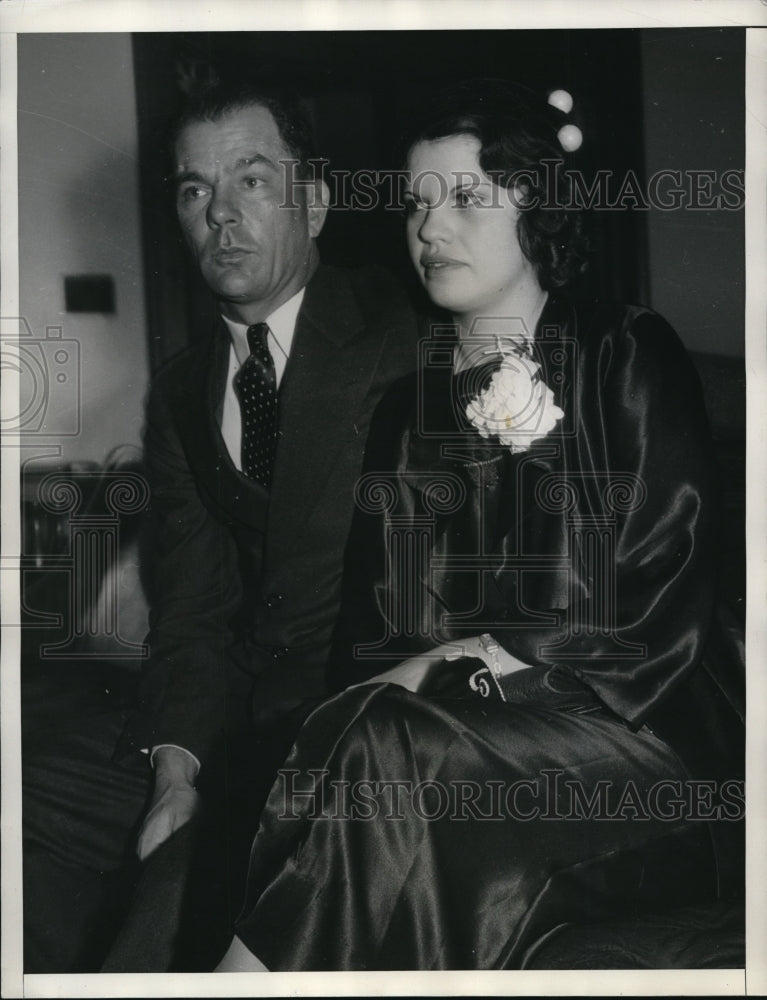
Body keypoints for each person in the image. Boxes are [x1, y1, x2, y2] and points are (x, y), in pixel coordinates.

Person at [216, 79, 745, 972]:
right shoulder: (406, 413)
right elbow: (377, 626)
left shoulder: (624, 351)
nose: (429, 228)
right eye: (417, 204)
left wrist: (479, 656)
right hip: (459, 746)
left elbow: (657, 570)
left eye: (464, 198)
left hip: (643, 750)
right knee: (371, 764)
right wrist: (419, 671)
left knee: (390, 749)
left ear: (532, 209)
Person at [22, 79, 418, 972]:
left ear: (313, 203)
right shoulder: (181, 391)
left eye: (251, 180)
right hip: (224, 723)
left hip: (353, 739)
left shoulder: (403, 336)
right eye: (195, 190)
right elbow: (193, 606)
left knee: (179, 901)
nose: (221, 216)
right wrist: (176, 769)